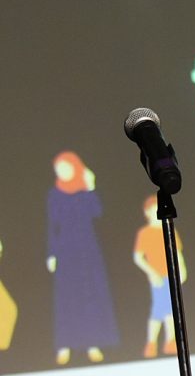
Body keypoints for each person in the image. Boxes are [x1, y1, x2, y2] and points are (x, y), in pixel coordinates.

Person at [46, 152, 119, 365]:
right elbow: (52, 225)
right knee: (67, 298)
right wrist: (51, 253)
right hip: (64, 250)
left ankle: (92, 343)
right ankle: (64, 345)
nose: (62, 172)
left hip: (87, 250)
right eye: (58, 168)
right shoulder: (54, 194)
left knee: (89, 295)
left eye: (65, 167)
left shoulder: (84, 192)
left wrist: (91, 185)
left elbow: (96, 212)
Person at [132, 194, 187, 356]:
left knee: (172, 310)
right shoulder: (144, 233)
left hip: (171, 276)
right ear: (147, 213)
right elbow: (138, 258)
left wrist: (181, 269)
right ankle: (151, 343)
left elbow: (177, 253)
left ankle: (170, 341)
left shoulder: (170, 230)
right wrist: (152, 273)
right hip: (157, 279)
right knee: (158, 309)